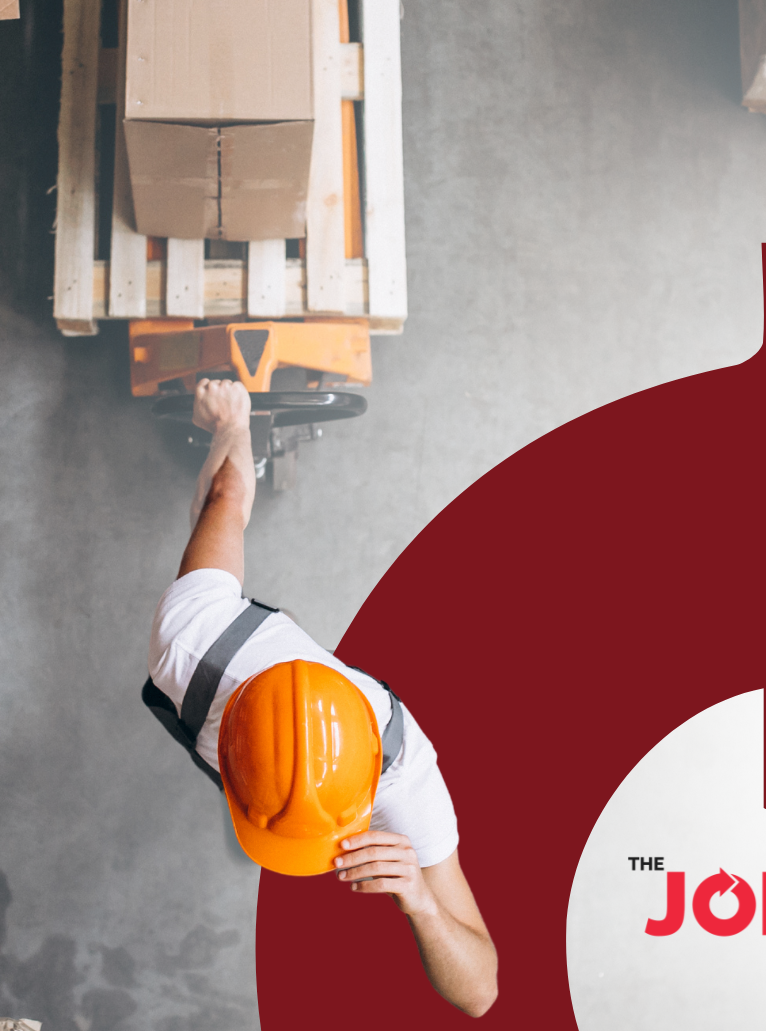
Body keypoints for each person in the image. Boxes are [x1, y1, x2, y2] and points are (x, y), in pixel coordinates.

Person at [141, 380, 499, 1018]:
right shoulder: (191, 642)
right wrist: (233, 422)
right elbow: (223, 497)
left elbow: (480, 992)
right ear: (220, 747)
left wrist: (420, 898)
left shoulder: (404, 780)